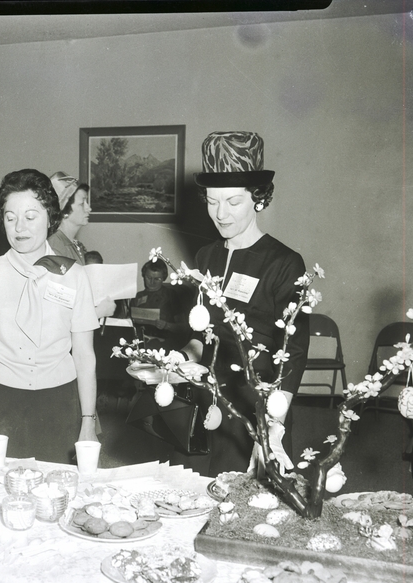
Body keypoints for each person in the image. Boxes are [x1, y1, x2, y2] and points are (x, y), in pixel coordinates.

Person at [0, 168, 100, 463]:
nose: (19, 227)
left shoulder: (74, 276)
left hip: (59, 400)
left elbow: (84, 355)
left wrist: (88, 420)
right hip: (1, 400)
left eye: (30, 216)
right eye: (10, 218)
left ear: (50, 217)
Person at [187, 131, 309, 475]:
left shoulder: (285, 263)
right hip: (214, 399)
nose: (221, 214)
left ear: (258, 198)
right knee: (210, 487)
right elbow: (201, 334)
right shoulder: (205, 256)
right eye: (212, 201)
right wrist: (176, 361)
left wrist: (274, 424)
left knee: (258, 494)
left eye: (233, 201)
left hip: (262, 405)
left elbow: (295, 351)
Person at [48, 171, 116, 319]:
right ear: (64, 210)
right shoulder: (55, 248)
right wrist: (99, 312)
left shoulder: (75, 245)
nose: (88, 208)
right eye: (81, 203)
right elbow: (58, 316)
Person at [130, 260, 195, 351]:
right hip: (141, 341)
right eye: (148, 277)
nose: (152, 282)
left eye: (157, 279)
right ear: (144, 276)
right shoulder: (138, 296)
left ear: (163, 278)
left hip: (163, 343)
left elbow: (183, 328)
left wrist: (166, 325)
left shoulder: (170, 295)